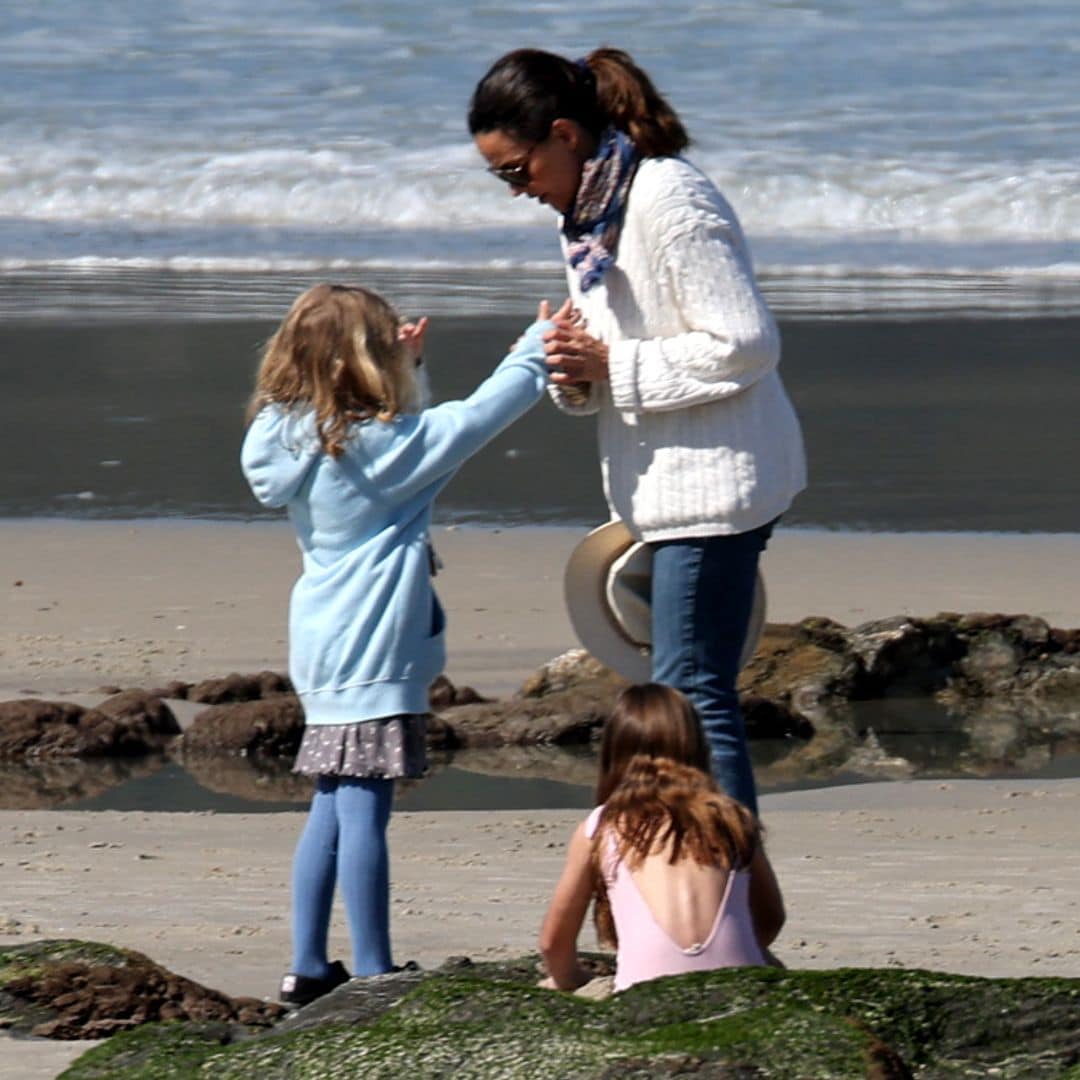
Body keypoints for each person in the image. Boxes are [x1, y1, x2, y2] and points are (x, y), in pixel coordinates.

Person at [469, 48, 807, 816]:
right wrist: (573, 374)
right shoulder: (586, 215)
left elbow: (746, 345)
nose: (518, 191)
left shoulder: (668, 198)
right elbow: (607, 360)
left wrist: (610, 366)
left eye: (517, 170)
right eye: (502, 178)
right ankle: (722, 895)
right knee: (689, 688)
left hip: (719, 482)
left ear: (565, 134)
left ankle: (733, 901)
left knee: (691, 696)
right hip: (664, 484)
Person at [241, 283, 558, 1006]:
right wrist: (533, 352)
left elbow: (405, 435)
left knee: (331, 802)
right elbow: (472, 423)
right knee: (364, 811)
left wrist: (410, 371)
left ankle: (308, 964)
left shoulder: (284, 437)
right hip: (374, 649)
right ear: (371, 361)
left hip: (322, 647)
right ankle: (377, 967)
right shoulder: (383, 449)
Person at [539, 683, 785, 993]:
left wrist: (568, 979)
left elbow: (553, 942)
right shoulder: (732, 817)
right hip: (738, 987)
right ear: (696, 747)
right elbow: (771, 918)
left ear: (613, 752)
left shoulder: (602, 825)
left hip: (645, 992)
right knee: (772, 965)